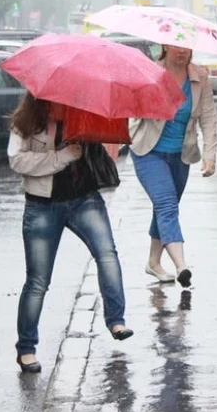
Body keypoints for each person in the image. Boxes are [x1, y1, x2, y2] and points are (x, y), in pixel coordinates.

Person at [8, 94, 132, 374]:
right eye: (55, 100)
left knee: (106, 253)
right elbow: (16, 160)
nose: (61, 104)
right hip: (42, 205)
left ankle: (117, 320)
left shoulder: (84, 114)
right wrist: (59, 158)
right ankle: (26, 349)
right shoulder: (26, 122)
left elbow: (111, 142)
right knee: (38, 281)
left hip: (83, 199)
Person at [128, 44, 217, 288]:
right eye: (177, 45)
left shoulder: (200, 78)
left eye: (188, 46)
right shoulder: (149, 74)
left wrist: (210, 155)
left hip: (181, 155)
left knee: (164, 207)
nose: (183, 51)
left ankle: (153, 262)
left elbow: (208, 118)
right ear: (166, 46)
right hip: (149, 152)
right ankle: (182, 266)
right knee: (167, 205)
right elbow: (133, 110)